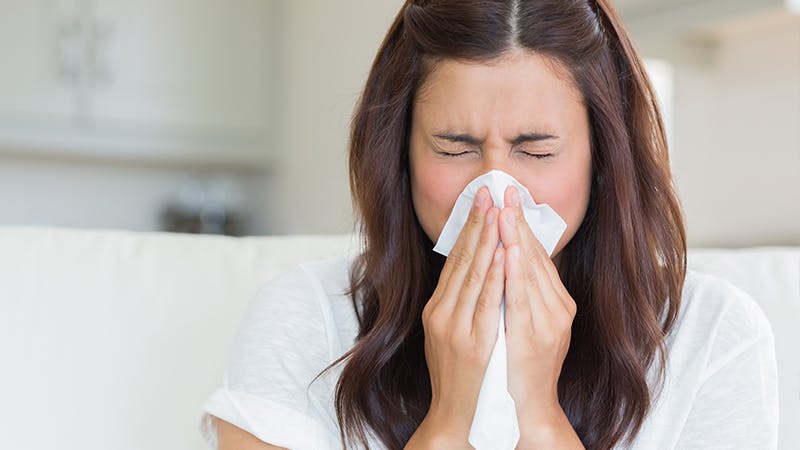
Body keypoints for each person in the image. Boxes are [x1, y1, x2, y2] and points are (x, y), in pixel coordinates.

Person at [200, 0, 779, 449]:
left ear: (603, 157)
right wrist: (450, 419)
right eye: (455, 149)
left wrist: (539, 416)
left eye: (537, 151)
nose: (494, 193)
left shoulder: (711, 332)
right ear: (398, 155)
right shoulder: (304, 318)